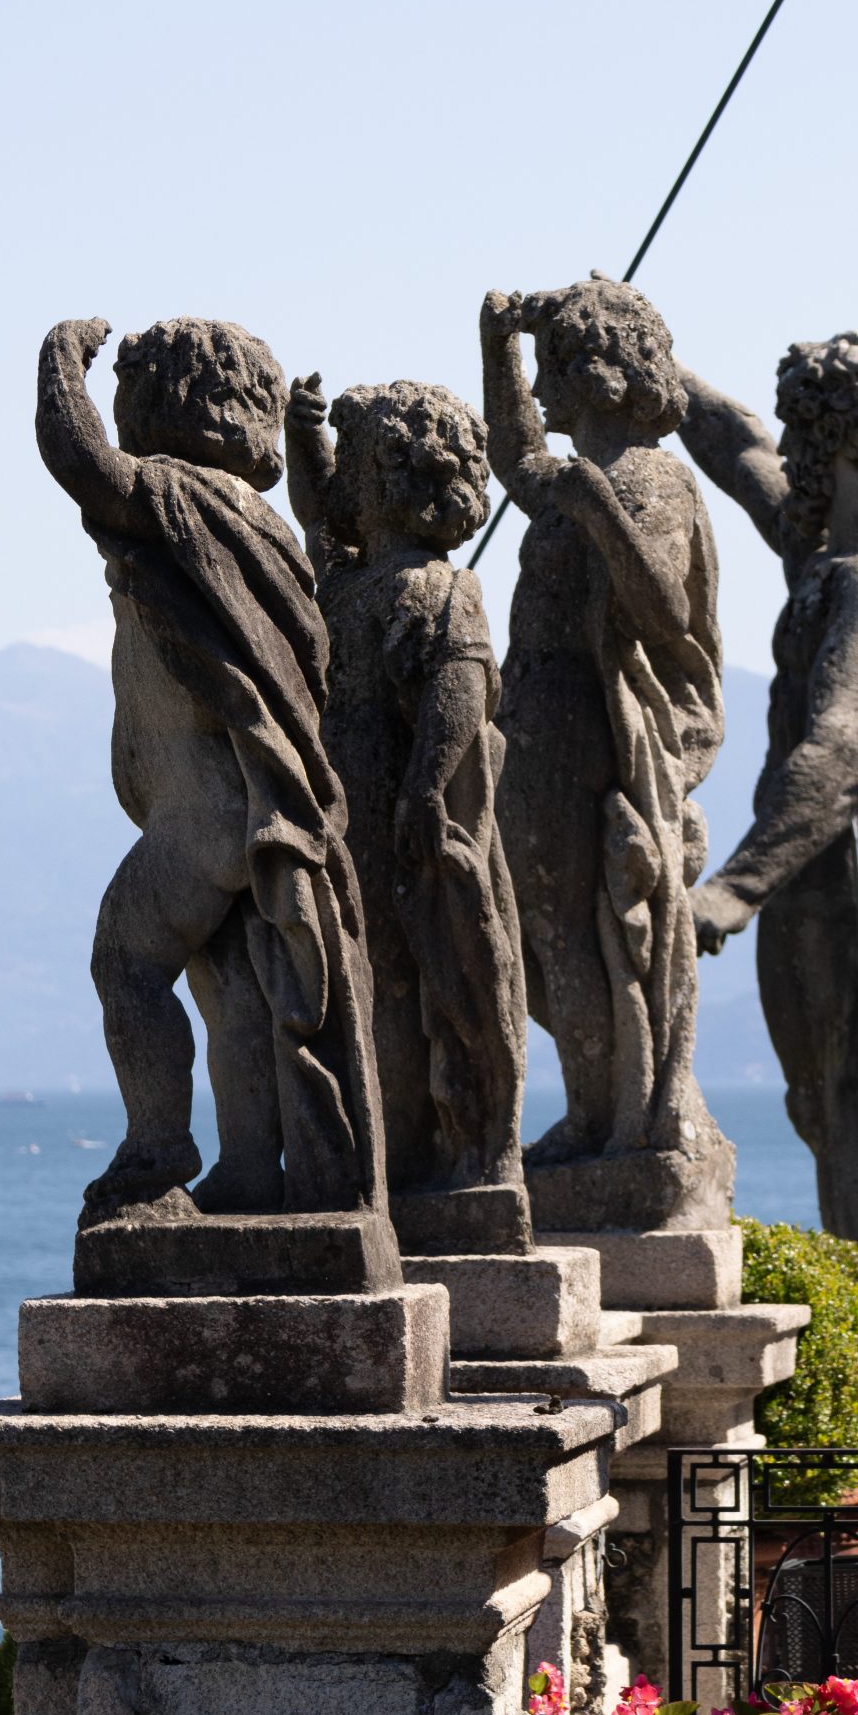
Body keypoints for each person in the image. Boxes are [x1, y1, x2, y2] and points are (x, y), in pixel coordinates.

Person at [34, 313, 384, 1224]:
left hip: (211, 808)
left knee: (127, 962)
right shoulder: (261, 523)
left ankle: (157, 1151)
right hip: (256, 801)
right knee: (231, 991)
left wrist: (60, 363)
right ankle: (248, 1172)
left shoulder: (179, 495)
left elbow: (82, 465)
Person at [676, 332, 858, 1247]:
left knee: (849, 1112)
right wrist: (653, 366)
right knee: (818, 1106)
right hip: (818, 866)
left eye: (806, 438)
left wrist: (733, 888)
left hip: (852, 870)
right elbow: (738, 448)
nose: (787, 456)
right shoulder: (833, 546)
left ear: (844, 442)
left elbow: (840, 757)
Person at [479, 275, 728, 1220]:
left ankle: (600, 1118)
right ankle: (595, 1106)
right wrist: (496, 342)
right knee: (536, 930)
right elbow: (515, 458)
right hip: (538, 716)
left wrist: (597, 509)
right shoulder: (577, 480)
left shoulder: (651, 481)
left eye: (560, 368)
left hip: (589, 720)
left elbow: (661, 611)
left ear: (614, 373)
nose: (546, 390)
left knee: (566, 925)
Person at [284, 372, 527, 1210]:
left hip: (403, 812)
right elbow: (320, 521)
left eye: (351, 461)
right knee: (364, 985)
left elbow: (460, 690)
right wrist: (303, 435)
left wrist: (426, 788)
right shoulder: (344, 586)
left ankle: (454, 1152)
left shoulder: (445, 589)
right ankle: (381, 1156)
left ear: (389, 476)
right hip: (344, 811)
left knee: (429, 982)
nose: (339, 479)